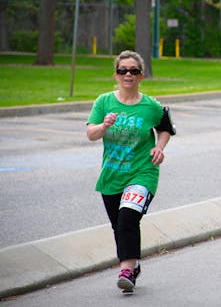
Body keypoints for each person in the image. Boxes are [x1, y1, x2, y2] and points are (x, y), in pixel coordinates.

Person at [86, 50, 175, 293]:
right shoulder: (104, 102)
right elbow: (91, 133)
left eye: (133, 71)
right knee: (119, 226)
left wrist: (159, 147)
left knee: (127, 218)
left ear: (141, 76)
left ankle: (126, 271)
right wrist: (103, 125)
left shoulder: (151, 106)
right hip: (112, 174)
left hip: (143, 173)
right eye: (123, 70)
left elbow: (165, 127)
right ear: (116, 74)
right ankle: (133, 265)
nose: (128, 75)